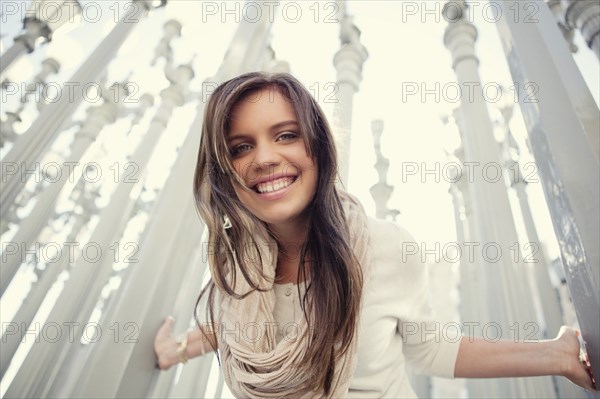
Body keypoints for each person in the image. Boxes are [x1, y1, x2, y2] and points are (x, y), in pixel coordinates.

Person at [154, 71, 596, 398]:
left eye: (286, 135)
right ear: (225, 172)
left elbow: (431, 350)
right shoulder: (237, 276)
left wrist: (553, 356)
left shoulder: (387, 247)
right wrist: (175, 351)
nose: (265, 158)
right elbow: (223, 327)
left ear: (318, 147)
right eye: (241, 147)